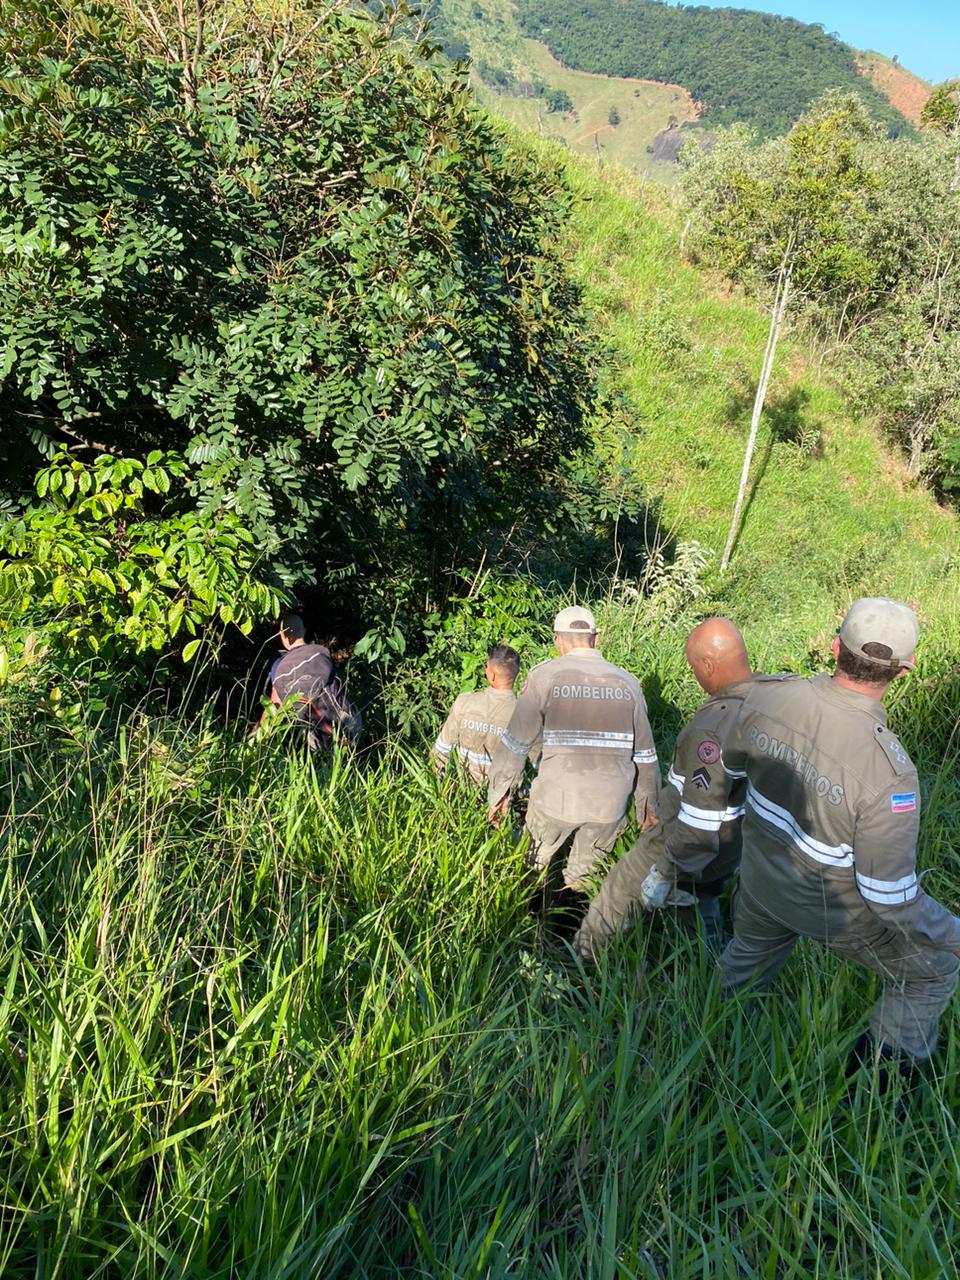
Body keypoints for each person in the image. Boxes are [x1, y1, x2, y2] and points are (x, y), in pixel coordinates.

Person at [719, 597, 960, 1080]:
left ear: (834, 648)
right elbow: (888, 898)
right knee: (933, 971)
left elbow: (730, 769)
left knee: (742, 968)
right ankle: (872, 1093)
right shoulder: (889, 774)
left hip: (762, 882)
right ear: (905, 670)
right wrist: (952, 933)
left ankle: (713, 1051)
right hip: (833, 912)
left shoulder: (766, 698)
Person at [575, 617, 783, 958]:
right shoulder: (775, 700)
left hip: (683, 843)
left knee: (620, 886)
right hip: (737, 843)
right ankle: (711, 972)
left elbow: (700, 825)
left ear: (707, 664)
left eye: (693, 668)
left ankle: (580, 964)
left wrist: (665, 871)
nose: (696, 677)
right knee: (704, 898)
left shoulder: (713, 727)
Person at [486, 605, 659, 897]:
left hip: (556, 799)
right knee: (583, 878)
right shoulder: (628, 683)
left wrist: (499, 794)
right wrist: (648, 810)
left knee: (533, 866)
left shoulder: (544, 677)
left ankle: (532, 930)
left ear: (557, 640)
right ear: (597, 638)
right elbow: (646, 756)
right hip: (609, 806)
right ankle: (570, 933)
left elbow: (516, 744)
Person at [261, 613, 361, 749]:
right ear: (304, 631)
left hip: (317, 734)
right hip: (349, 721)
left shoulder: (280, 665)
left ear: (283, 635)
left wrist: (260, 738)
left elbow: (274, 705)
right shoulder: (321, 653)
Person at [431, 645, 521, 786]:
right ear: (516, 675)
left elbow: (441, 750)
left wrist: (438, 786)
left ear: (491, 675)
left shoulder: (465, 702)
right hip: (501, 798)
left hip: (462, 793)